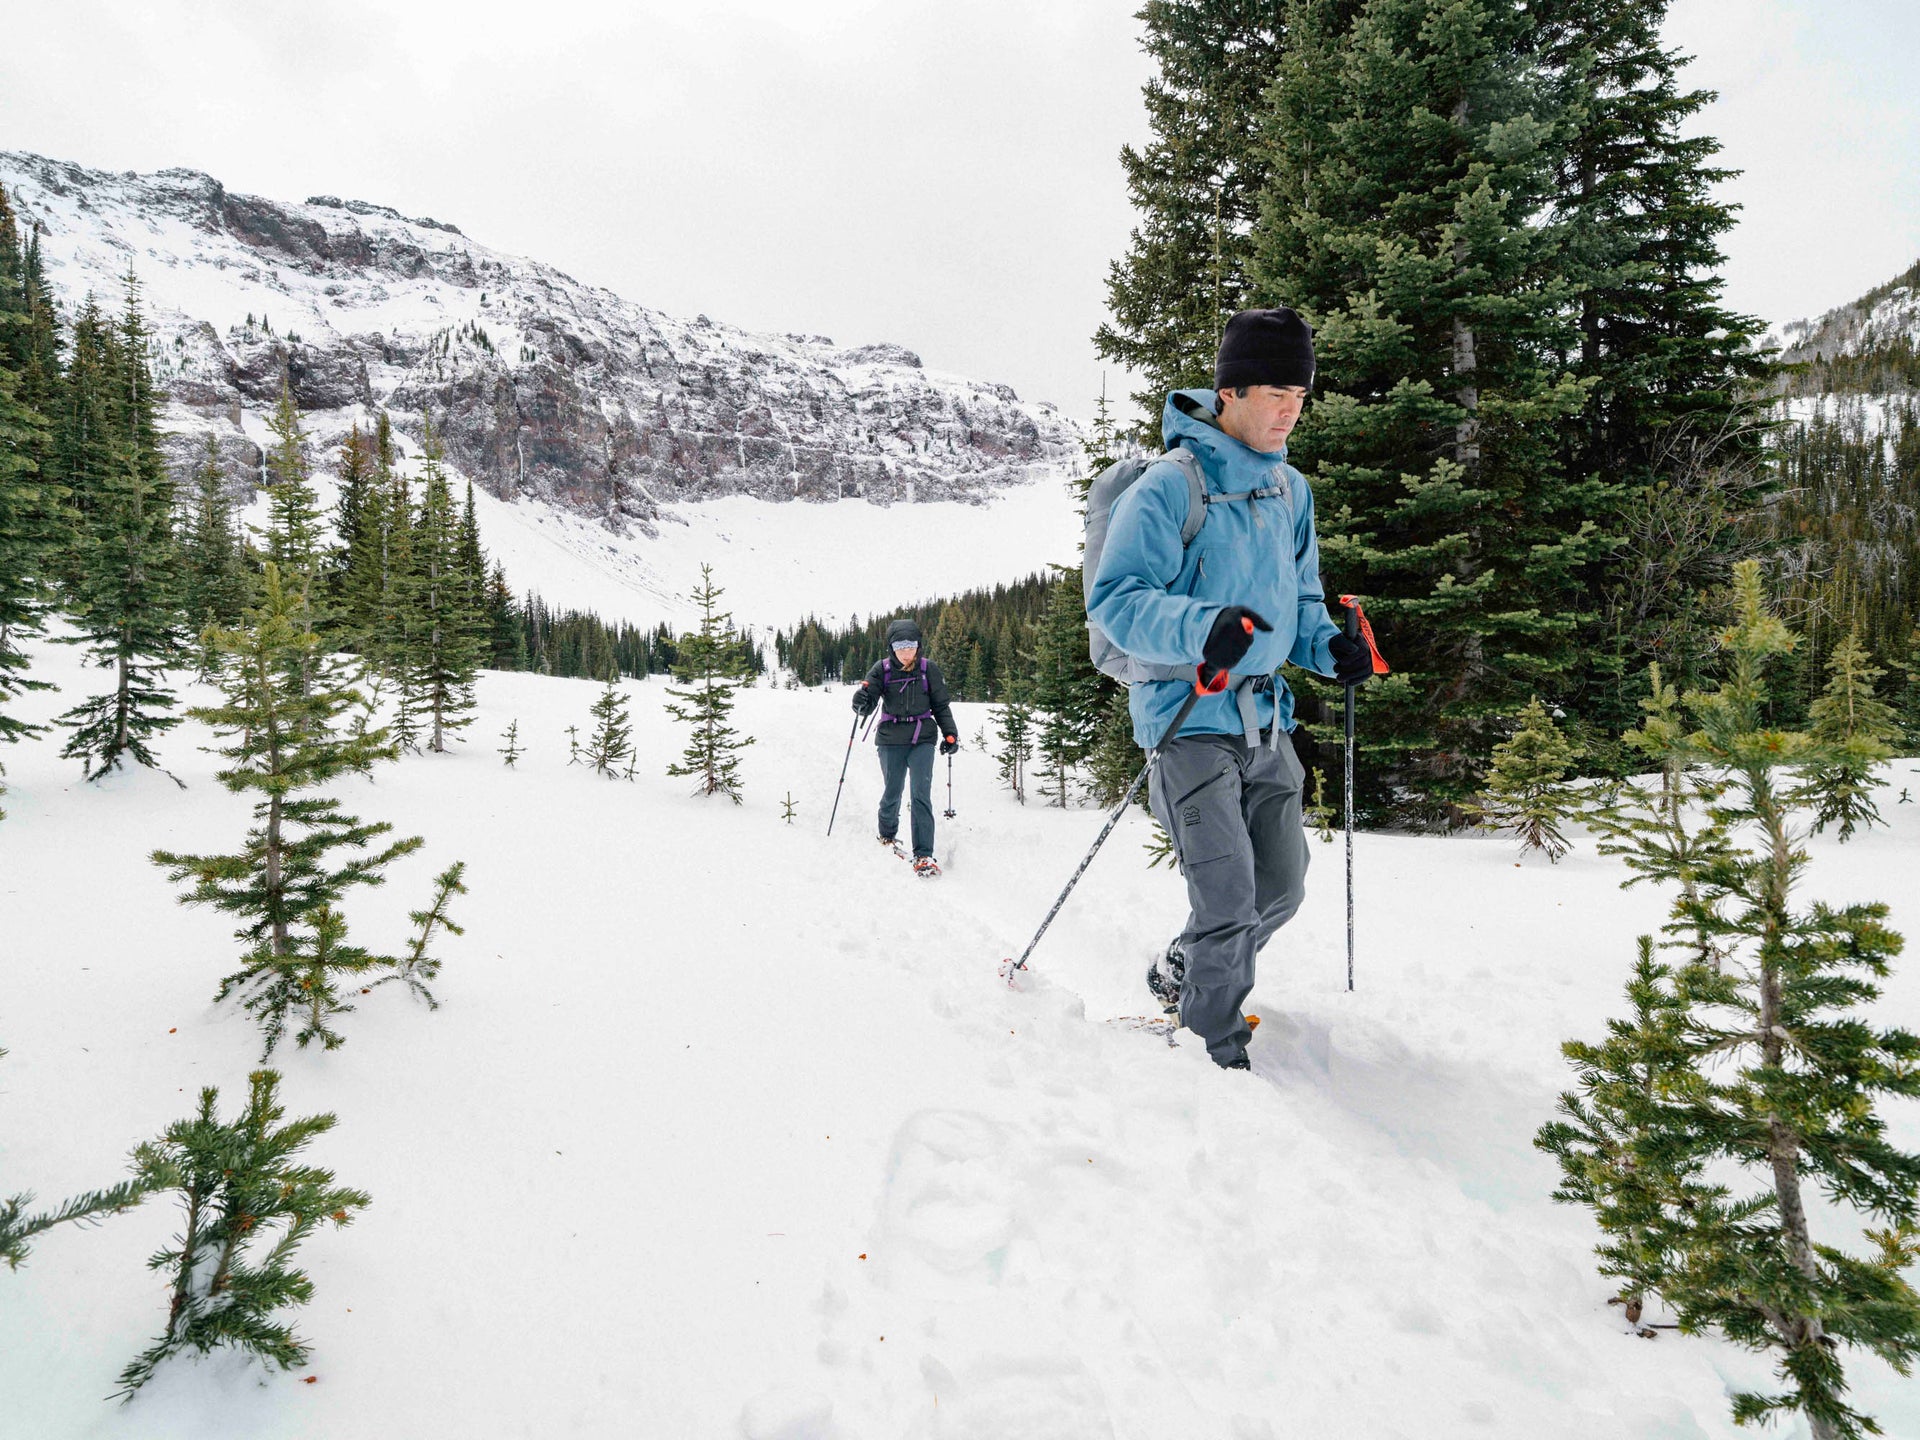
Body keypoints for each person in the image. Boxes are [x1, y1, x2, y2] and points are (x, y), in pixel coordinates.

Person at [1087, 307, 1376, 1070]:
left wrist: (1329, 649)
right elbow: (1116, 599)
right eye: (1275, 391)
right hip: (1184, 717)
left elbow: (1303, 602)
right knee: (1226, 898)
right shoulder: (1169, 488)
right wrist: (1200, 627)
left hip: (1263, 720)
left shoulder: (1292, 493)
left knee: (1279, 886)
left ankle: (1184, 968)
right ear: (1230, 392)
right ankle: (1213, 1049)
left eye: (1301, 396)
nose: (1290, 409)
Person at [851, 618, 959, 877]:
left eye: (910, 645)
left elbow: (941, 705)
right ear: (891, 647)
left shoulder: (928, 669)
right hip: (890, 740)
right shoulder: (882, 670)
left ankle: (924, 854)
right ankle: (887, 834)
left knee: (921, 794)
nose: (906, 651)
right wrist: (860, 702)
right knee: (893, 790)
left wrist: (950, 734)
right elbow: (867, 704)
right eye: (900, 645)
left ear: (918, 645)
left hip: (922, 738)